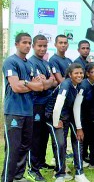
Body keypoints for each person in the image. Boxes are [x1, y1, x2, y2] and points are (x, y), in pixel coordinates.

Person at [2, 33, 44, 182]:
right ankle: (8, 179)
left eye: (29, 43)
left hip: (28, 111)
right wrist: (29, 84)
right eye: (24, 42)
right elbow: (15, 87)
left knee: (25, 146)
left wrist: (25, 83)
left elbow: (40, 87)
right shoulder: (10, 62)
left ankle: (19, 177)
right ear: (17, 44)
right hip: (13, 111)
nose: (27, 45)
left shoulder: (30, 64)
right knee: (13, 149)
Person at [27, 35, 58, 181]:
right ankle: (32, 167)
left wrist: (48, 82)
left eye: (45, 46)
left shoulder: (45, 63)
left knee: (45, 134)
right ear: (33, 46)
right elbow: (41, 86)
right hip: (36, 104)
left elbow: (52, 81)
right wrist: (47, 82)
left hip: (47, 104)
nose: (42, 48)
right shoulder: (31, 63)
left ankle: (40, 162)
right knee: (35, 136)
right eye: (39, 46)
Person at [73, 63, 94, 170]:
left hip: (91, 117)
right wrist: (79, 126)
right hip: (81, 117)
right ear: (87, 74)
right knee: (82, 139)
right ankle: (80, 160)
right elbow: (77, 106)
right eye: (93, 72)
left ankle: (93, 161)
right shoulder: (83, 85)